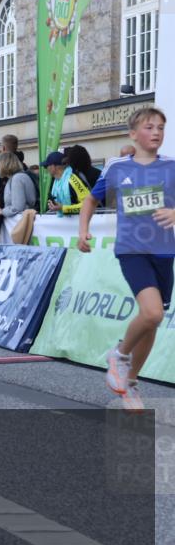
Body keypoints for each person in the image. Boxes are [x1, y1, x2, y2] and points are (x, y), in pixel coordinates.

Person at [78, 107, 175, 413]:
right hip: (133, 250)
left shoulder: (172, 167)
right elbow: (91, 200)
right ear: (133, 134)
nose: (156, 132)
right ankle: (118, 355)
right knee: (153, 313)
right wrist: (83, 231)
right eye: (149, 127)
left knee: (151, 323)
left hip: (164, 252)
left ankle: (129, 382)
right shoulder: (118, 168)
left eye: (161, 127)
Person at [0, 152, 37, 221]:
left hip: (22, 222)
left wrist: (2, 212)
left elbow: (18, 207)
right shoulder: (17, 177)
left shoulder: (17, 178)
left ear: (5, 165)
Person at [42, 151, 90, 215]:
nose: (46, 169)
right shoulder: (57, 181)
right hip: (67, 222)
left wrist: (63, 208)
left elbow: (88, 204)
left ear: (53, 167)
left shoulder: (73, 179)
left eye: (46, 166)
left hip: (79, 222)